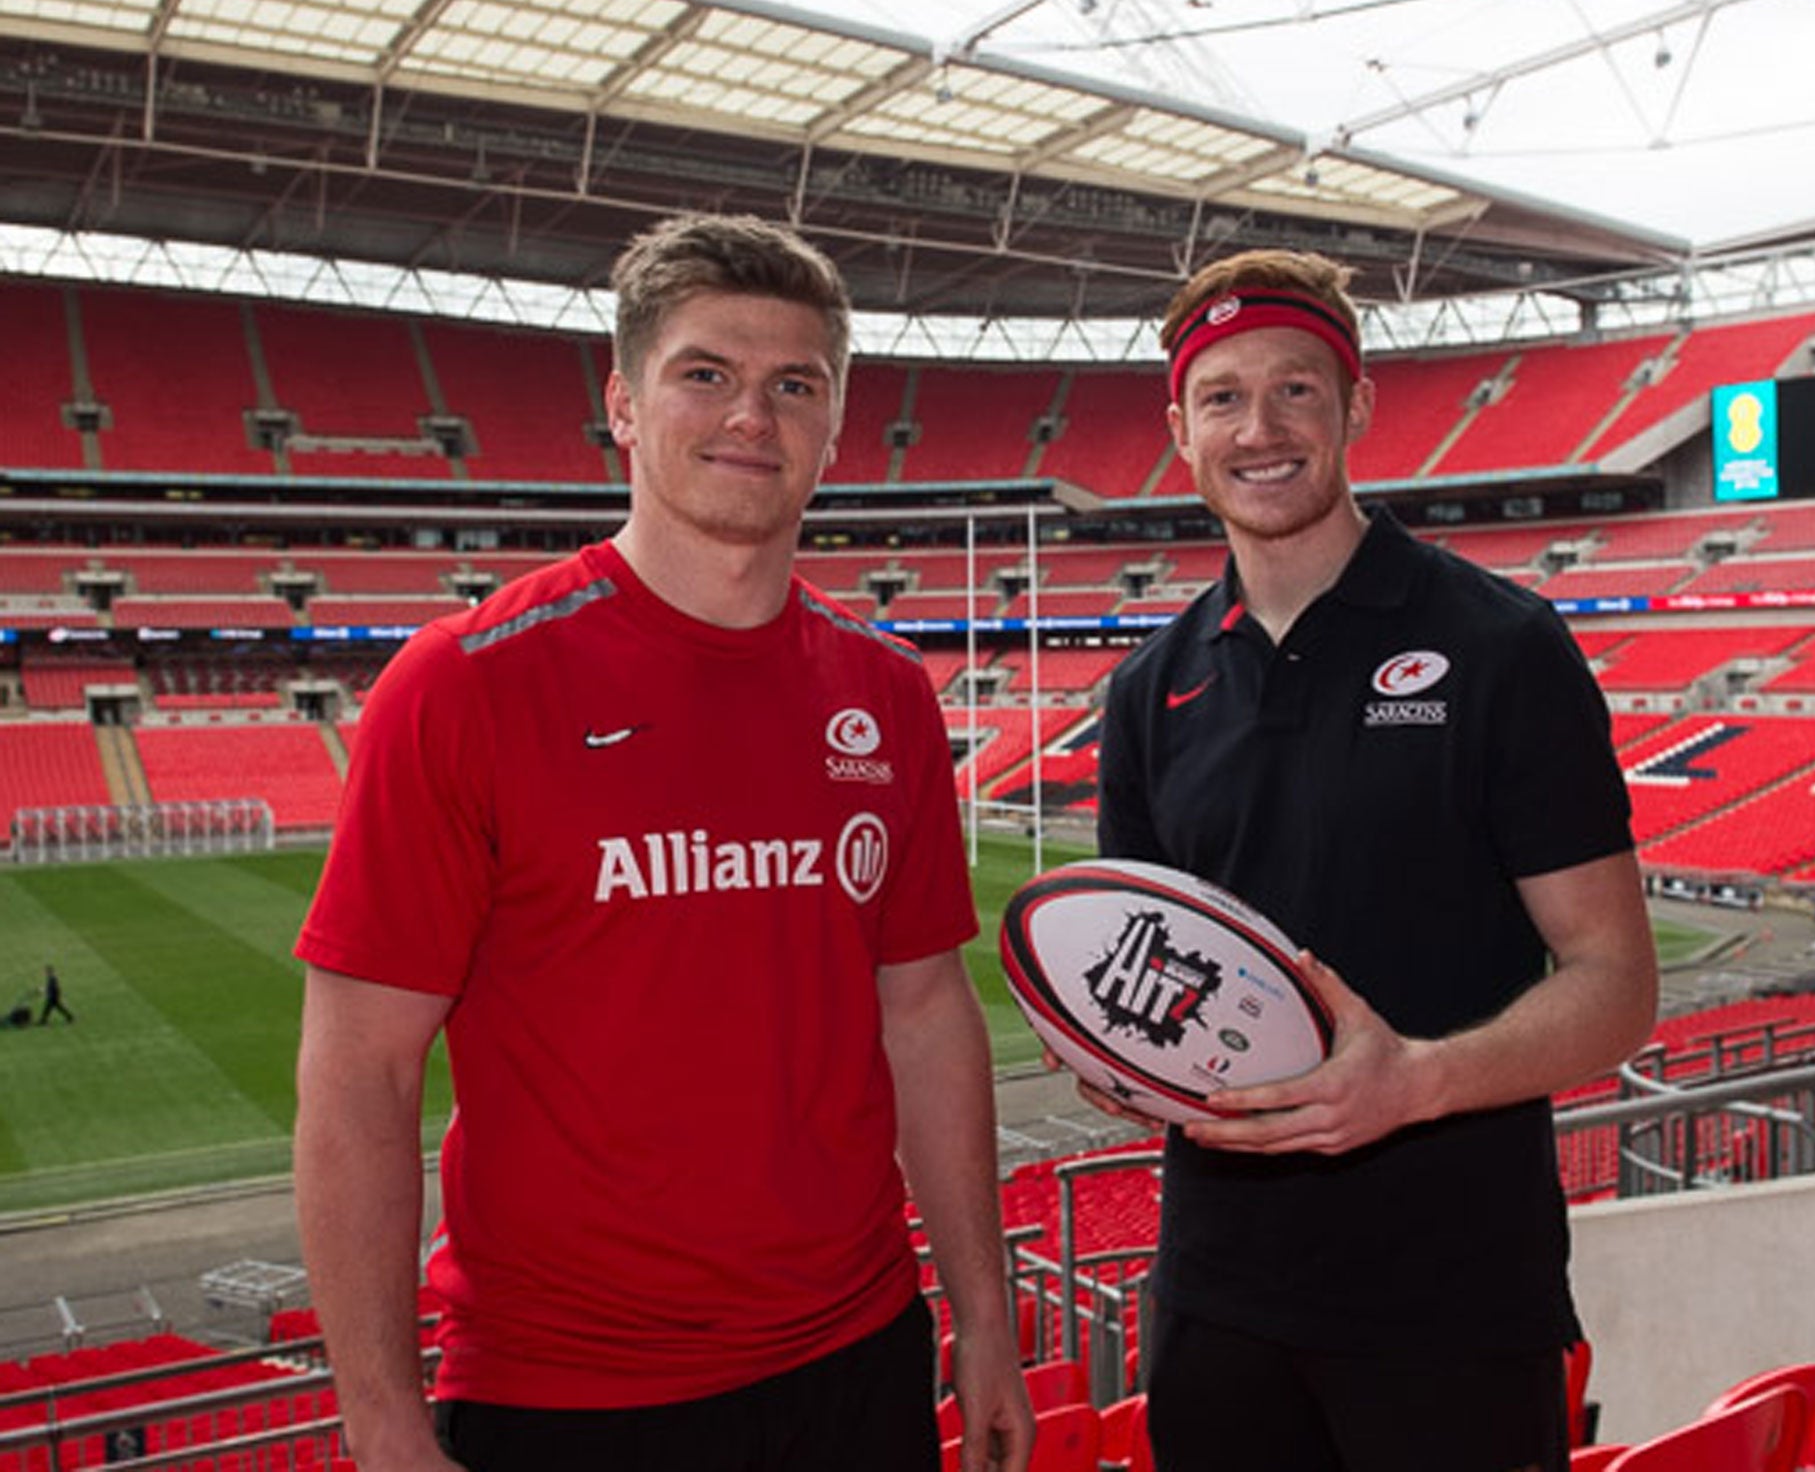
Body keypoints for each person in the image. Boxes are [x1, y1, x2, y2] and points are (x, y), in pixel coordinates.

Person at [293, 213, 1033, 1472]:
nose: (751, 414)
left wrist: (985, 1313)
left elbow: (919, 1009)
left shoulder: (887, 693)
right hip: (570, 1394)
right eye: (705, 374)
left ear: (834, 431)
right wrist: (380, 1415)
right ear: (624, 407)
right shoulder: (464, 685)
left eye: (791, 385)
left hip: (856, 1358)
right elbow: (360, 1070)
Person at [1086, 251, 1659, 1472]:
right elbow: (1138, 965)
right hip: (1215, 1298)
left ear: (1352, 407)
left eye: (1295, 390)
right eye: (1223, 396)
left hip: (1449, 1300)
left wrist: (1417, 1081)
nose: (1260, 429)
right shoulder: (1145, 693)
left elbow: (1613, 982)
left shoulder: (1501, 647)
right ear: (1177, 427)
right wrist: (1121, 1061)